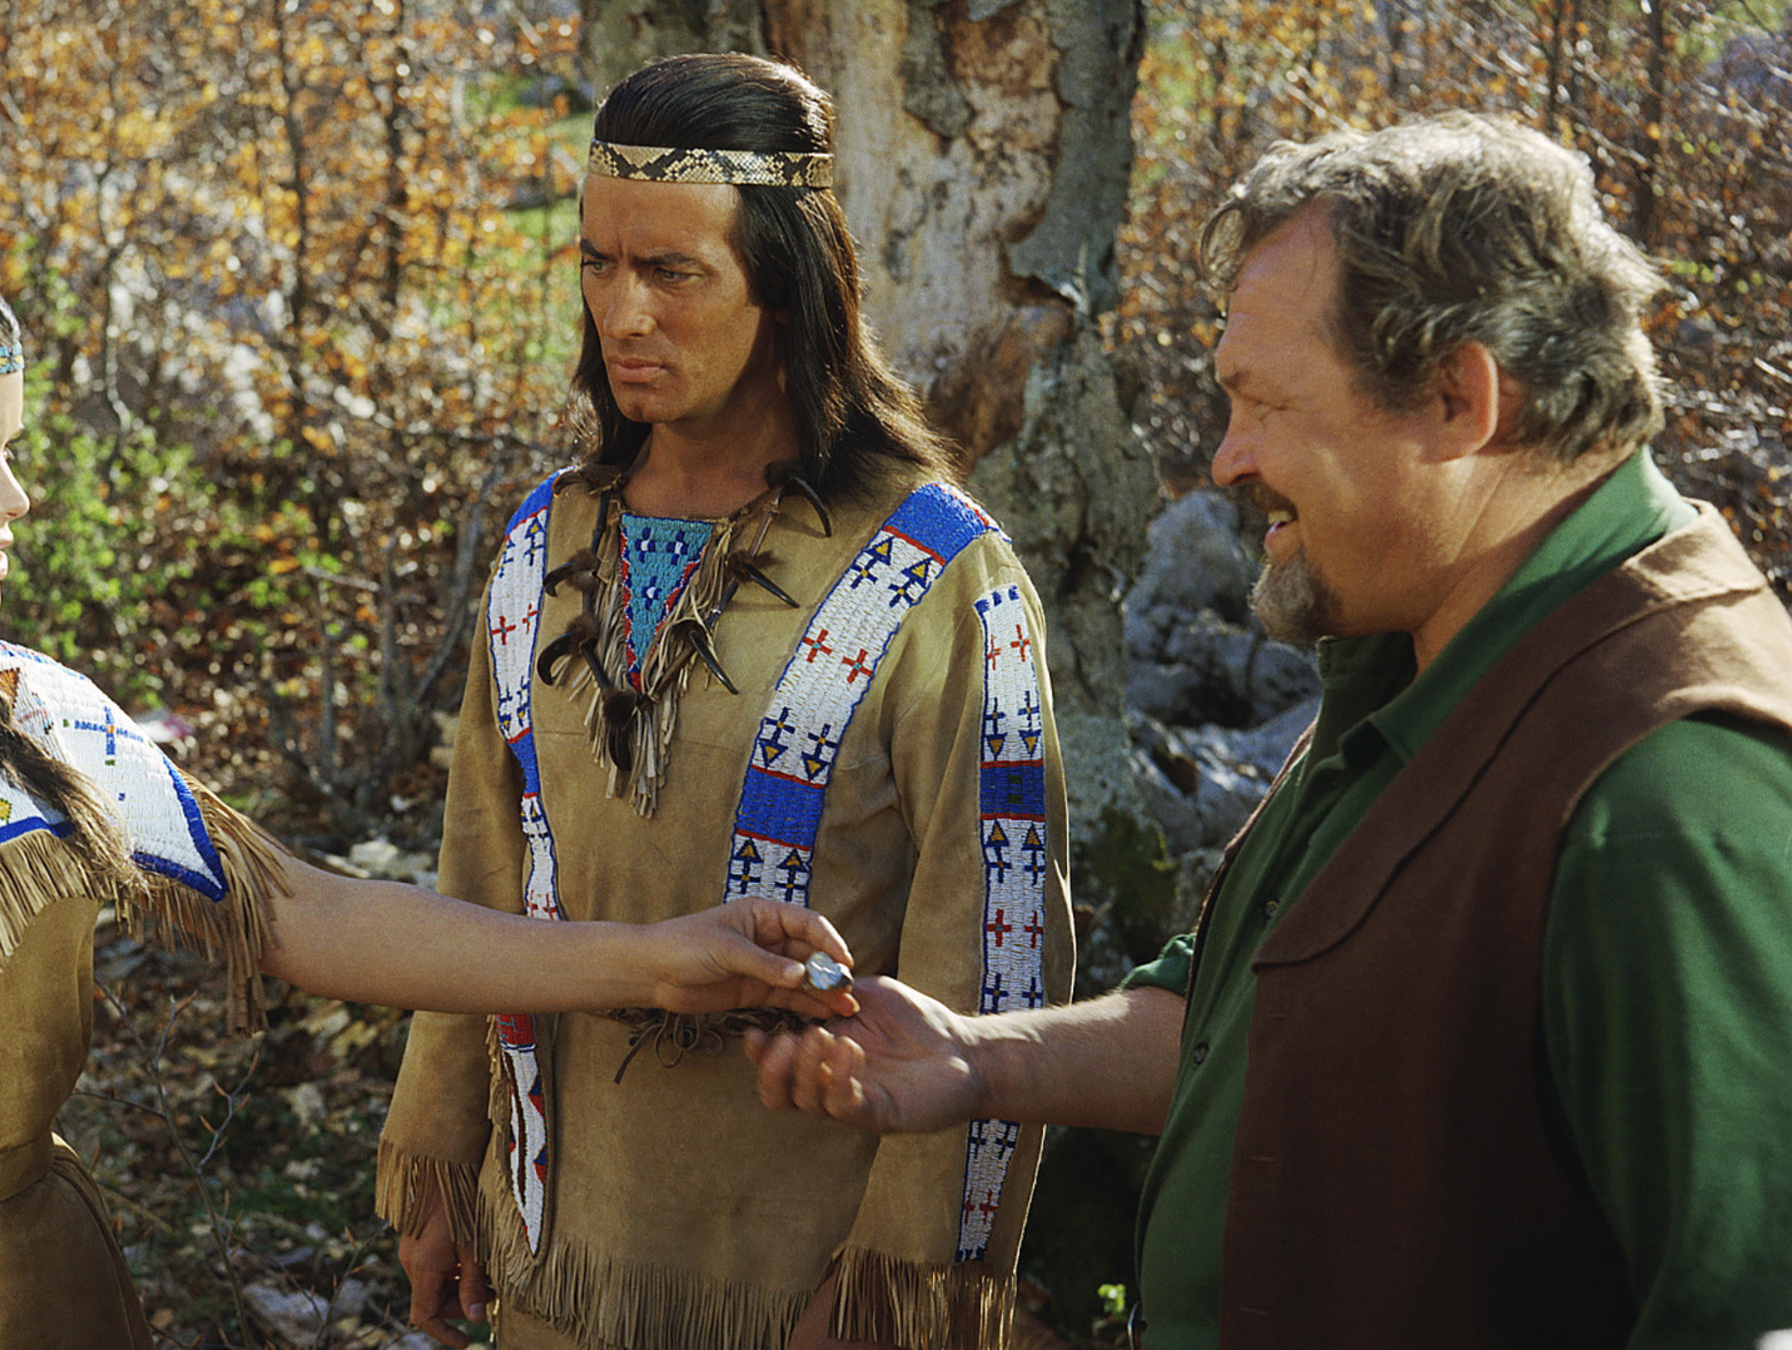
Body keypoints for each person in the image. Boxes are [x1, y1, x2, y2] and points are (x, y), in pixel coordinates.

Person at [0, 41, 861, 1347]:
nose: (11, 497)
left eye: (8, 451)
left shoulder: (30, 718)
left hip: (58, 1297)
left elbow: (308, 911)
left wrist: (658, 959)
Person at [746, 112, 1792, 1349]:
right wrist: (980, 1061)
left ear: (1457, 400)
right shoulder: (1439, 654)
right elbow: (1250, 1025)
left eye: (1263, 403)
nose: (1227, 460)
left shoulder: (1667, 782)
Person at [376, 52, 1072, 1350]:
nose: (619, 312)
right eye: (595, 263)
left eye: (671, 272)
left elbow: (992, 950)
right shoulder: (542, 541)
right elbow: (473, 872)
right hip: (551, 1249)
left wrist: (889, 1287)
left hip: (794, 1273)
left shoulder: (935, 574)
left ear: (786, 283)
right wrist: (439, 1157)